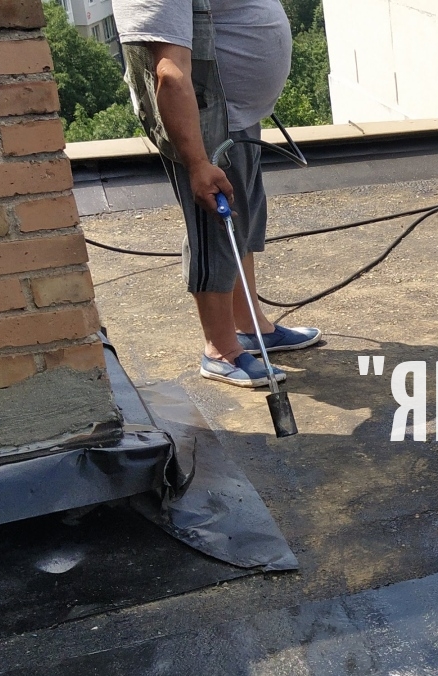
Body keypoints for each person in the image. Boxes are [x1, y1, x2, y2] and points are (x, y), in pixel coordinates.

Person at [116, 0, 322, 388]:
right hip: (206, 124)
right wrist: (197, 163)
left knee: (242, 223)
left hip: (237, 116)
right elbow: (170, 74)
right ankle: (222, 351)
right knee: (216, 233)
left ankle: (251, 328)